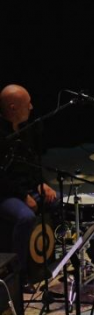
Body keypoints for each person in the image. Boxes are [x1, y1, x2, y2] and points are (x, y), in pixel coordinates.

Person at [0, 84, 58, 289]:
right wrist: (24, 195)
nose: (31, 107)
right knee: (25, 217)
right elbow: (2, 177)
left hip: (26, 189)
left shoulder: (26, 130)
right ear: (13, 107)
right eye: (27, 103)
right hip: (5, 194)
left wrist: (42, 183)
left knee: (61, 201)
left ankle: (49, 260)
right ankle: (19, 275)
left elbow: (32, 162)